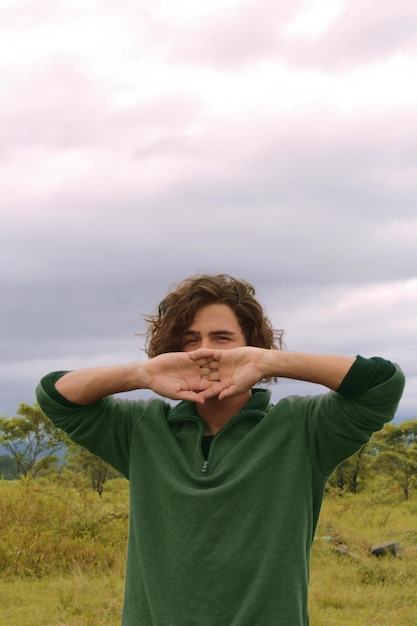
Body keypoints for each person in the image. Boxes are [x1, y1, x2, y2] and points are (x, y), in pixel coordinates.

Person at [36, 274, 405, 626]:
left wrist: (266, 361)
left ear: (250, 344)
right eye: (190, 339)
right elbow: (55, 396)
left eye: (222, 338)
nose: (205, 351)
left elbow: (383, 385)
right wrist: (140, 374)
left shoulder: (302, 429)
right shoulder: (141, 429)